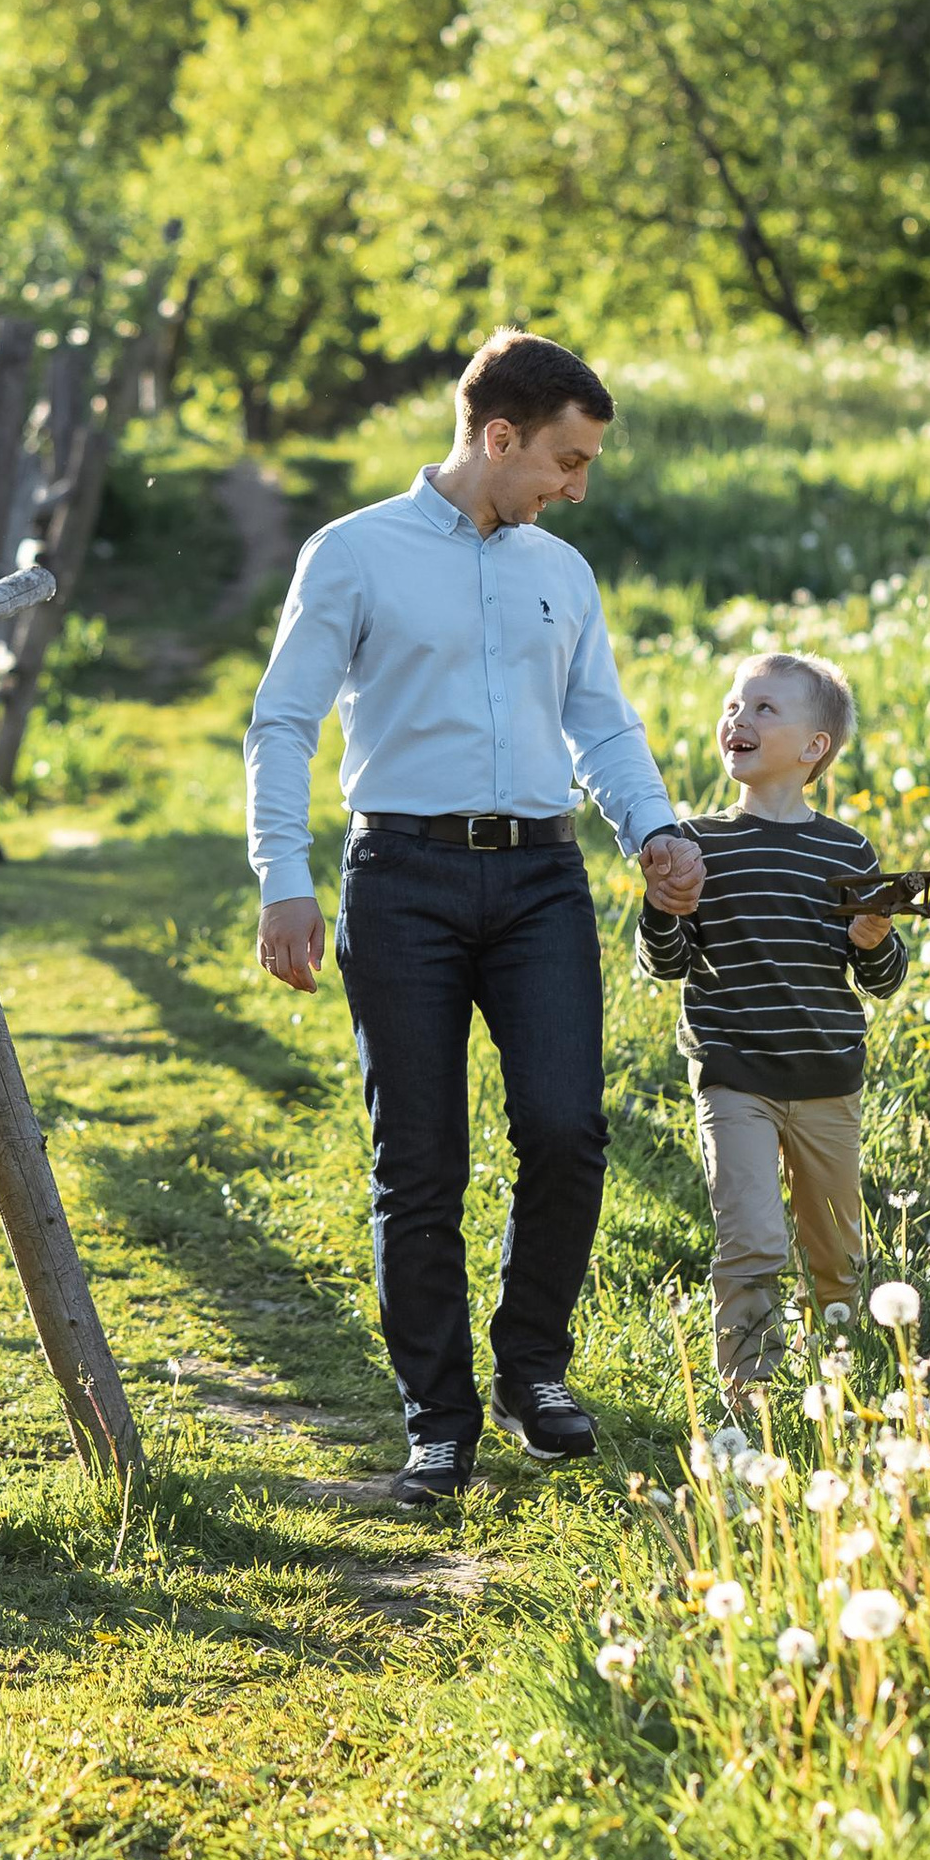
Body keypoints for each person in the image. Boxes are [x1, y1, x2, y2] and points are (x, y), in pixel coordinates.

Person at [246, 333, 706, 1506]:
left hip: (541, 880)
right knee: (421, 1161)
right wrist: (282, 877)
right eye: (564, 458)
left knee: (564, 1130)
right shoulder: (351, 555)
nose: (576, 485)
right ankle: (437, 1424)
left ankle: (531, 1373)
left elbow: (601, 725)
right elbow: (282, 724)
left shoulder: (562, 572)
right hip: (401, 880)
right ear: (495, 437)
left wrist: (654, 830)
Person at [634, 649, 908, 1387]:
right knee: (752, 1241)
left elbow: (882, 979)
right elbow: (665, 963)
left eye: (763, 708)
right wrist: (662, 907)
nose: (738, 719)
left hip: (827, 1079)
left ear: (814, 748)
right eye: (732, 705)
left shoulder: (847, 851)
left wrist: (873, 940)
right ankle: (749, 1393)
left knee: (837, 1255)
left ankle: (844, 1381)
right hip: (733, 1077)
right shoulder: (697, 843)